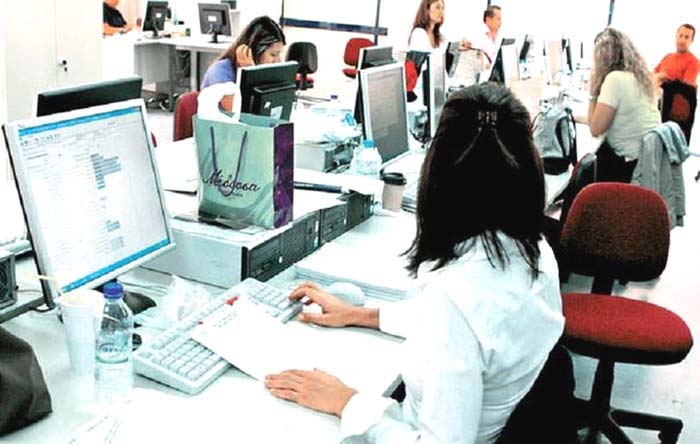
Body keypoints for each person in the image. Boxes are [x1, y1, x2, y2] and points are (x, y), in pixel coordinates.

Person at [265, 83, 565, 444]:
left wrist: (347, 402)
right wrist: (361, 314)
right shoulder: (535, 252)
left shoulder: (457, 296)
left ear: (437, 175)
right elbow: (471, 333)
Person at [588, 28, 661, 183]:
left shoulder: (615, 79)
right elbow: (617, 116)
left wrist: (592, 92)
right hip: (647, 162)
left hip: (627, 167)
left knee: (584, 169)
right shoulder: (642, 77)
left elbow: (595, 129)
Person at [200, 16, 285, 90]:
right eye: (273, 54)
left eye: (279, 54)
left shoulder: (265, 74)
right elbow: (233, 104)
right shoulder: (220, 70)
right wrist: (249, 75)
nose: (278, 61)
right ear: (253, 51)